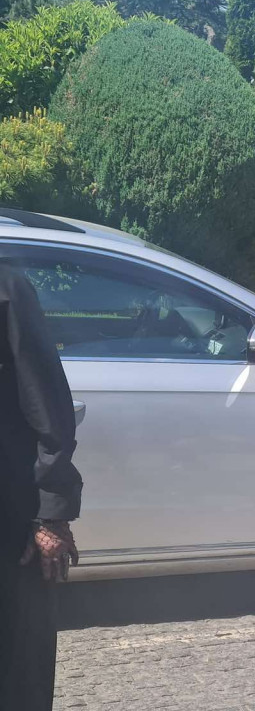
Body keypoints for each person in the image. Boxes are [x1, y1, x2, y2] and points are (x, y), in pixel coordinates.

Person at [0, 262, 82, 711]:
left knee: (18, 668)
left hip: (10, 515)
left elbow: (47, 406)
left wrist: (50, 513)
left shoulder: (6, 290)